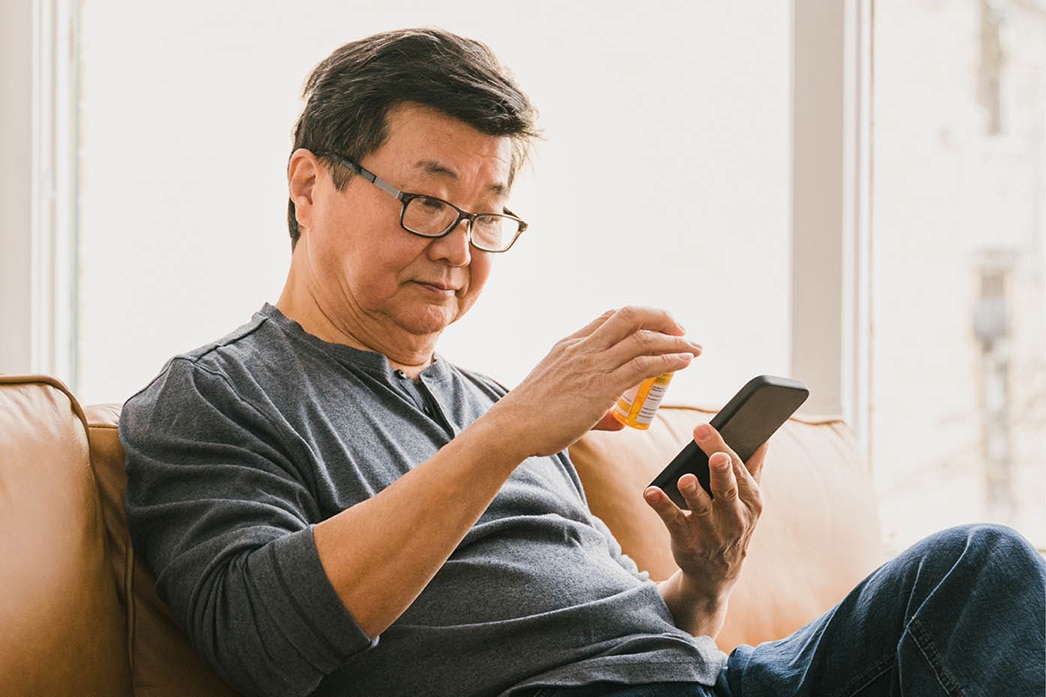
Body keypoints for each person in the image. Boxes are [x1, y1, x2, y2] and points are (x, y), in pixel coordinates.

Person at [120, 27, 1045, 697]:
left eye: (485, 217)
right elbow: (263, 644)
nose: (458, 248)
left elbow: (646, 634)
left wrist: (708, 578)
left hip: (712, 683)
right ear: (309, 183)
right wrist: (505, 436)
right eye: (427, 202)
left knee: (982, 569)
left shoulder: (488, 401)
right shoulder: (212, 396)